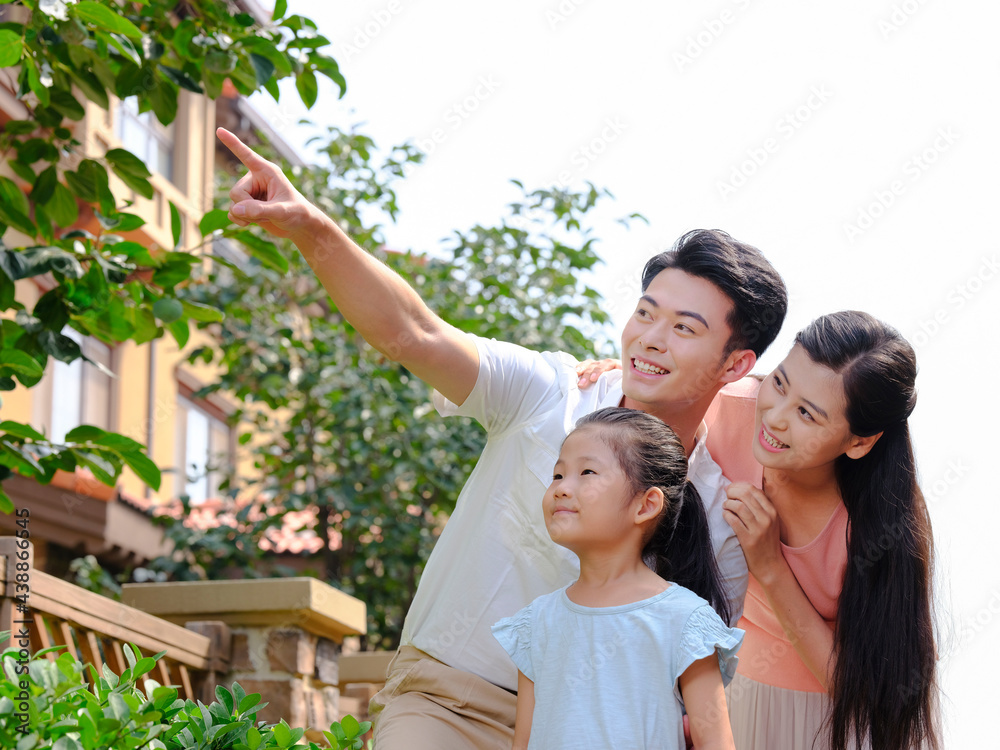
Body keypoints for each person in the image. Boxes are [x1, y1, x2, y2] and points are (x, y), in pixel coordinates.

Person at [217, 127, 788, 749]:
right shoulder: (549, 392)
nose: (650, 338)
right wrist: (311, 228)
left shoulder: (716, 506)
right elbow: (415, 332)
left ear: (735, 363)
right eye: (646, 313)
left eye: (685, 328)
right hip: (447, 702)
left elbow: (692, 683)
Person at [720, 311, 939, 750]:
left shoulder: (880, 524)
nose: (775, 417)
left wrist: (770, 566)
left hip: (822, 723)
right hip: (713, 691)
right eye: (780, 382)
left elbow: (866, 689)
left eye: (807, 413)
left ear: (859, 441)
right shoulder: (727, 408)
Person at [492, 407, 743, 750]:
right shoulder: (537, 622)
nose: (562, 488)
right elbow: (524, 741)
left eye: (587, 472)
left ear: (645, 505)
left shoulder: (685, 620)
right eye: (557, 475)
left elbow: (715, 743)